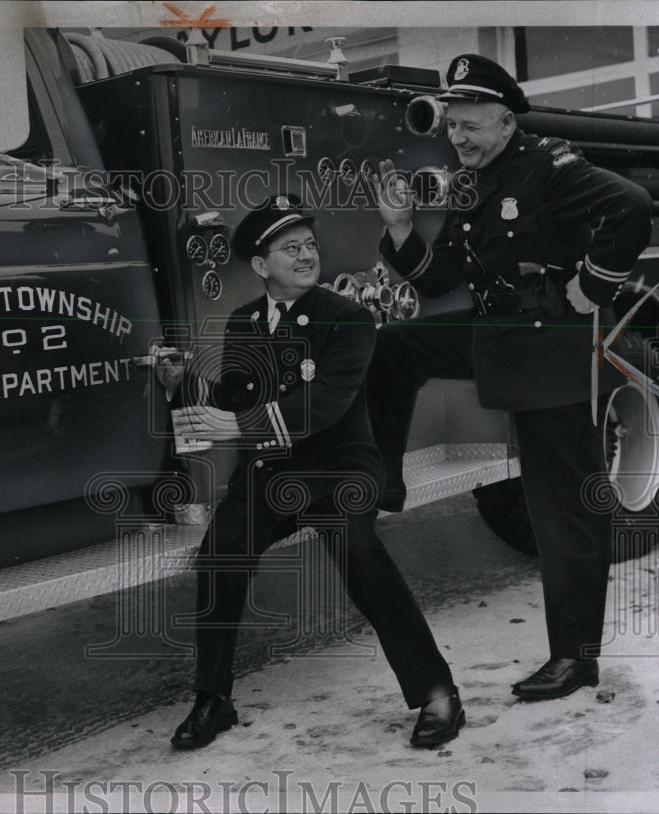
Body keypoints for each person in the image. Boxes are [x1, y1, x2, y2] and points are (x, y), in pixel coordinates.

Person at [368, 54, 653, 700]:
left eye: (471, 126)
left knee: (563, 511)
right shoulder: (476, 179)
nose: (458, 138)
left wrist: (593, 284)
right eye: (452, 127)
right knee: (395, 348)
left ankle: (575, 659)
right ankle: (380, 482)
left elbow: (632, 206)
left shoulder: (549, 168)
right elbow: (439, 279)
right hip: (495, 335)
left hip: (548, 346)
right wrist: (401, 230)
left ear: (504, 121)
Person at [158, 194, 464, 750]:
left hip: (340, 466)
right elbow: (233, 398)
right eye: (289, 248)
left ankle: (437, 692)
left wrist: (238, 427)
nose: (305, 255)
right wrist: (184, 386)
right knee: (221, 549)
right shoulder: (243, 323)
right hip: (272, 473)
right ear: (259, 266)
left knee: (359, 551)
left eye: (308, 245)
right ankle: (213, 698)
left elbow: (323, 404)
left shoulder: (347, 318)